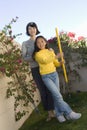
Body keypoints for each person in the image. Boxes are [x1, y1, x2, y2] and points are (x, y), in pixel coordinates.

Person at [32, 35, 82, 123]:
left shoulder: (50, 51)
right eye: (38, 42)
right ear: (36, 45)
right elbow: (45, 60)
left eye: (42, 41)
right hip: (46, 77)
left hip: (54, 75)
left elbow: (55, 63)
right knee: (58, 95)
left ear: (45, 42)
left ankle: (59, 115)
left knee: (56, 95)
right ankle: (69, 113)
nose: (40, 43)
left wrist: (60, 62)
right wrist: (56, 56)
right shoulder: (37, 54)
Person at [21, 22, 55, 121]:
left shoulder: (41, 39)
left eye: (34, 28)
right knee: (43, 91)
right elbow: (24, 57)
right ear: (27, 31)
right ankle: (50, 113)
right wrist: (34, 57)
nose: (32, 30)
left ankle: (55, 110)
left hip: (46, 67)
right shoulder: (25, 43)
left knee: (50, 89)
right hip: (36, 69)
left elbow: (47, 51)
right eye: (30, 28)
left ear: (36, 29)